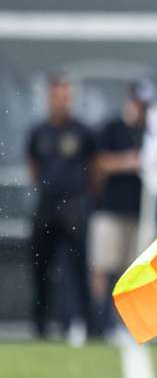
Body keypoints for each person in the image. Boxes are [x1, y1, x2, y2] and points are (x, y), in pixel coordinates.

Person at [26, 74, 97, 343]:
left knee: (79, 267)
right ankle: (41, 325)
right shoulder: (39, 132)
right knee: (41, 265)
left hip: (74, 205)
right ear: (49, 98)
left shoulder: (83, 131)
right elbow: (33, 166)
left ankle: (89, 324)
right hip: (47, 204)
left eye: (66, 96)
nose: (62, 102)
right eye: (58, 96)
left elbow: (96, 167)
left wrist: (85, 196)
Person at [90, 80, 151, 335]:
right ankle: (98, 320)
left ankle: (125, 321)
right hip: (110, 209)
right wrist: (130, 162)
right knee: (104, 265)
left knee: (132, 269)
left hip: (138, 212)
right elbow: (99, 163)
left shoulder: (151, 131)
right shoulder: (112, 127)